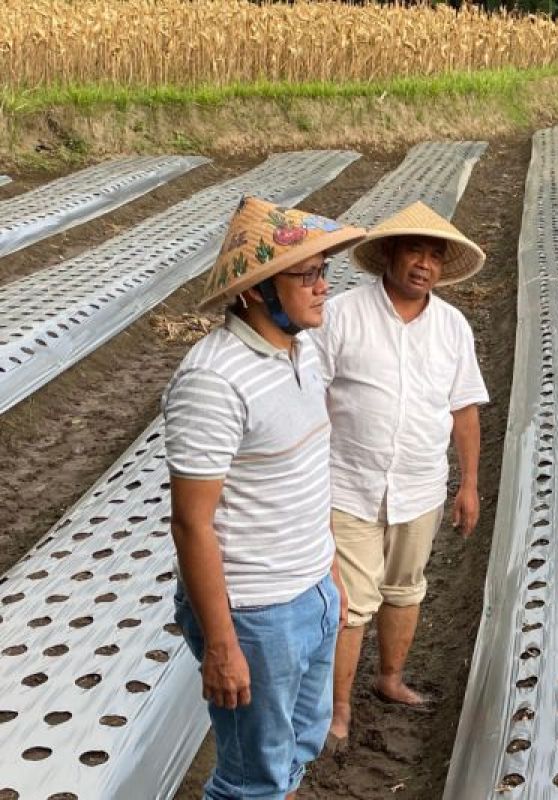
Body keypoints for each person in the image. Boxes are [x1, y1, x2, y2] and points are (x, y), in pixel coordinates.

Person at [165, 196, 364, 799]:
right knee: (251, 779)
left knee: (298, 748)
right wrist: (222, 646)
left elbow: (302, 475)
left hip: (313, 591)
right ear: (256, 291)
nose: (323, 286)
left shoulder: (301, 353)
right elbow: (191, 525)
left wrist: (327, 570)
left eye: (324, 271)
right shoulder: (213, 380)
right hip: (257, 614)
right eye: (306, 274)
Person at [310, 201, 488, 747]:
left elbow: (464, 410)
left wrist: (469, 485)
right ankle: (339, 710)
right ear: (390, 253)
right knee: (351, 602)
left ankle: (390, 679)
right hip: (348, 482)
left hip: (419, 485)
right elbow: (310, 393)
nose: (424, 265)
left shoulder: (452, 327)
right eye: (415, 250)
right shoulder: (342, 314)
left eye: (435, 256)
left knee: (405, 589)